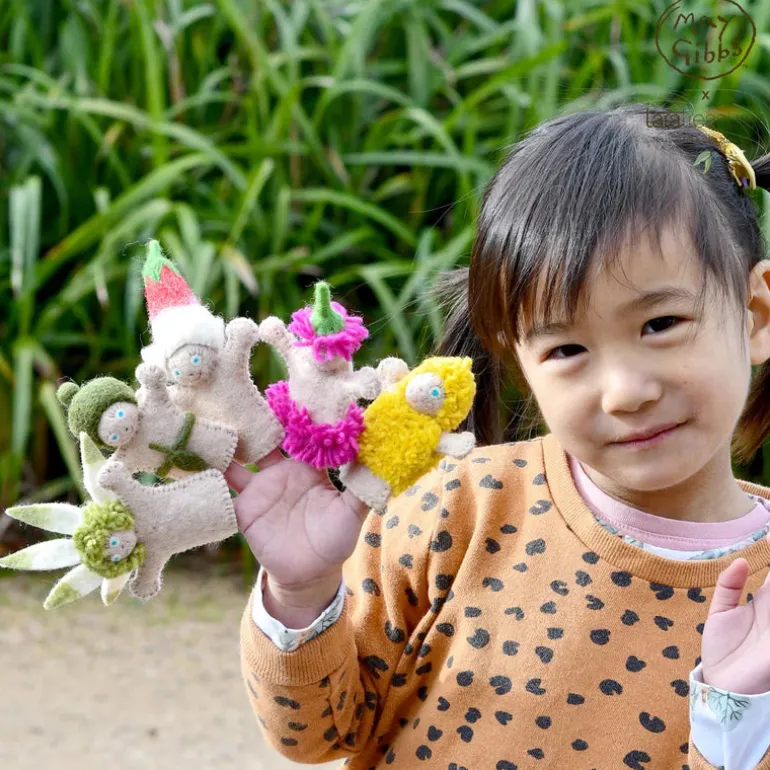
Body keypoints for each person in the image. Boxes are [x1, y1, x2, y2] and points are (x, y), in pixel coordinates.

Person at [227, 103, 770, 769]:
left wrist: (733, 715)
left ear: (756, 315)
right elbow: (312, 735)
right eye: (567, 348)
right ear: (520, 363)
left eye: (660, 324)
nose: (625, 390)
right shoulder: (453, 508)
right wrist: (301, 591)